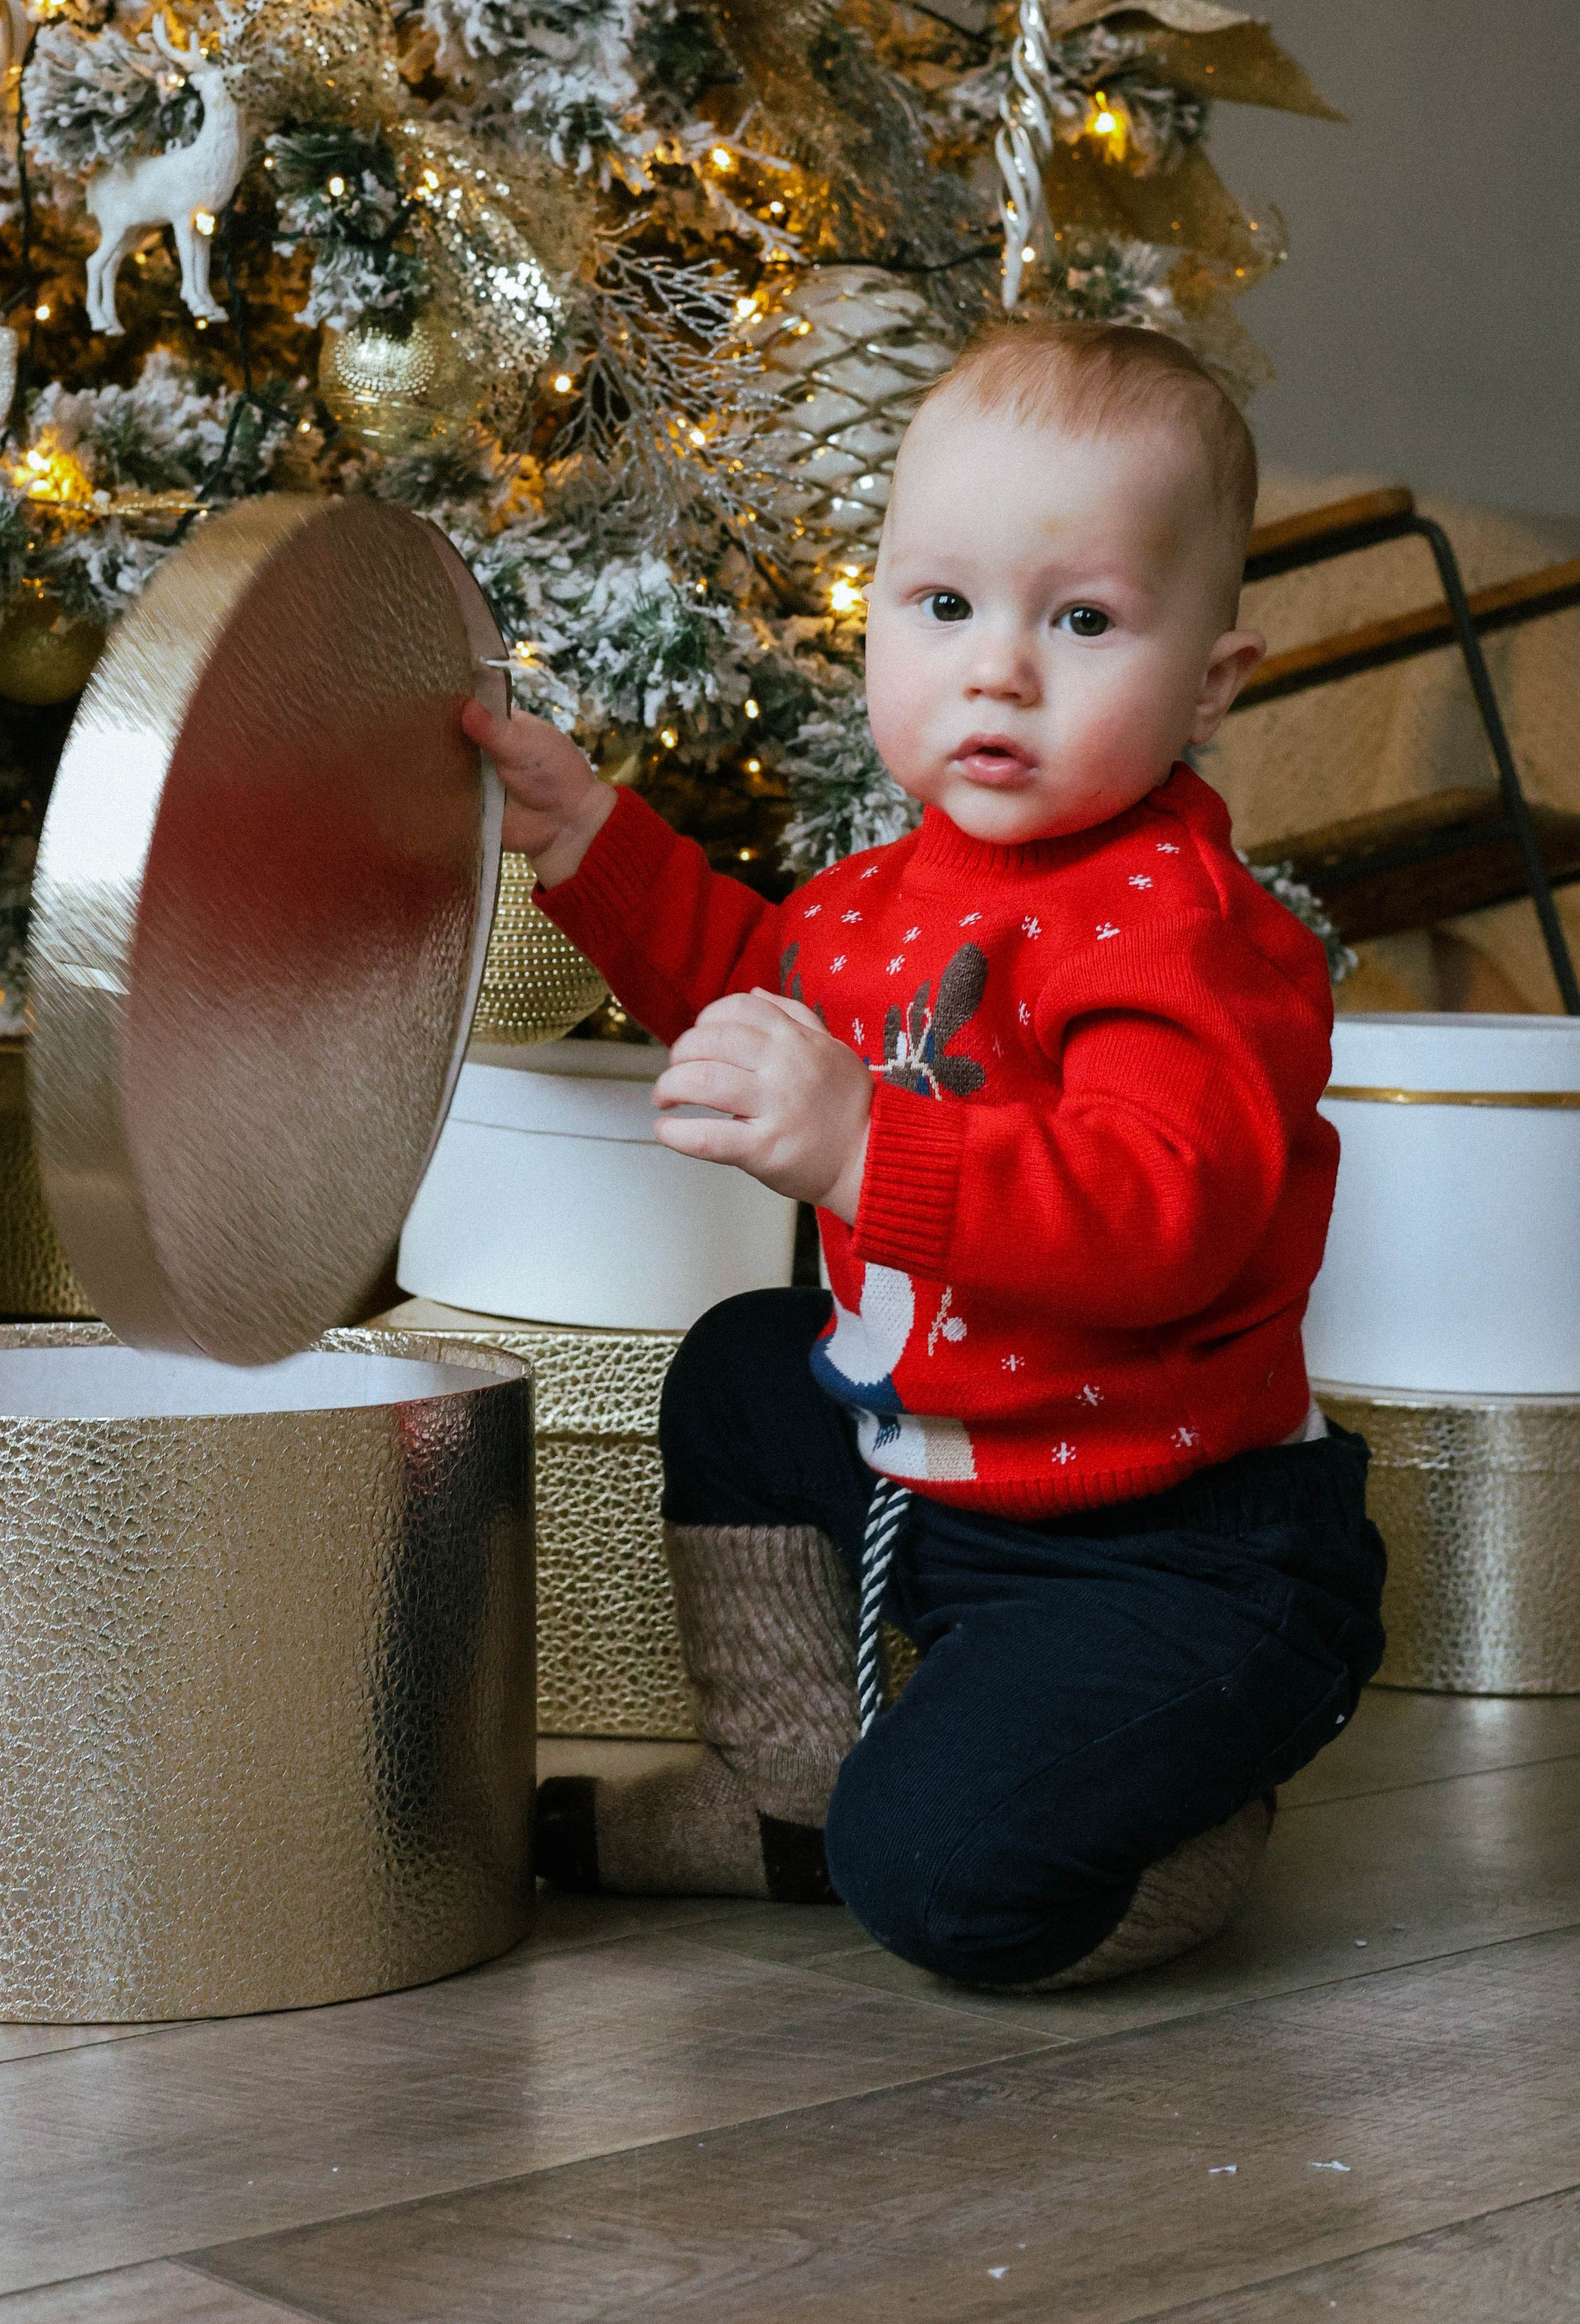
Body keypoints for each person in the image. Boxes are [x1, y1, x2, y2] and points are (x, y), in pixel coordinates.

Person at [462, 319, 1386, 1991]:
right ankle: (788, 1791)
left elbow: (1156, 1214)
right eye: (943, 605)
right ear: (874, 612)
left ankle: (1167, 1802)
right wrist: (589, 837)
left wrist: (860, 1144)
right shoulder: (887, 892)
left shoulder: (1181, 932)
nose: (997, 671)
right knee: (747, 1373)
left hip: (1173, 1547)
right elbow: (751, 983)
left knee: (945, 1881)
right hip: (946, 1466)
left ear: (1211, 680)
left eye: (1082, 621)